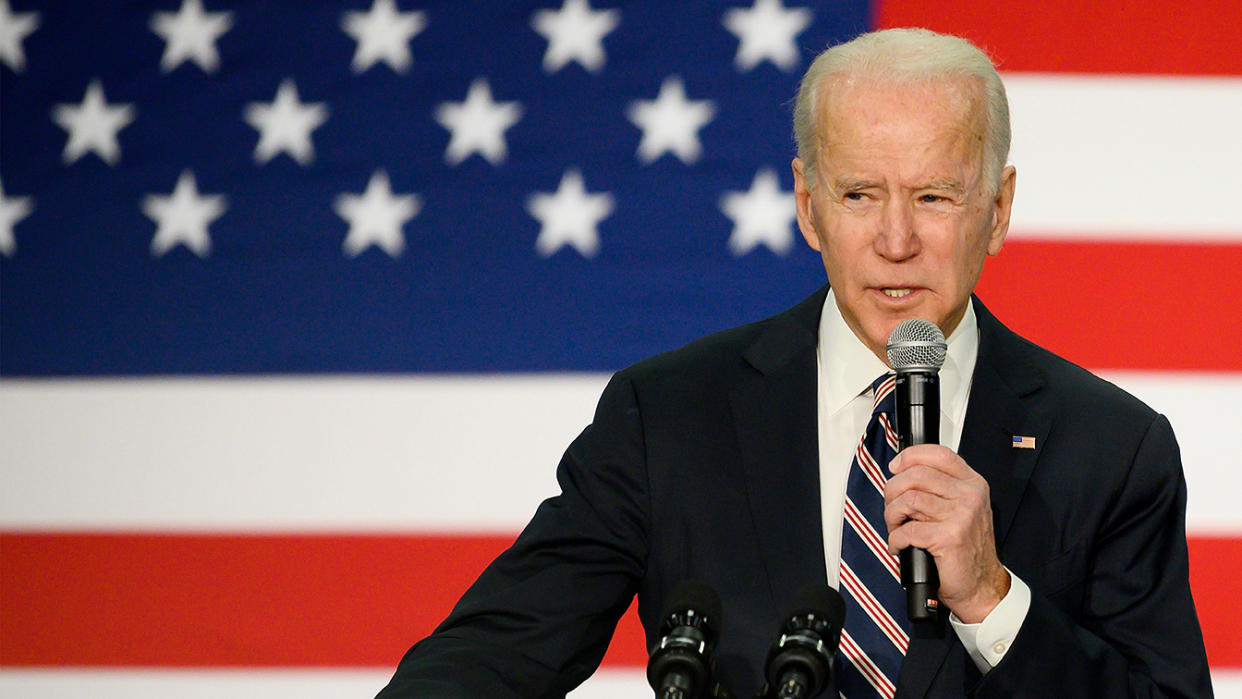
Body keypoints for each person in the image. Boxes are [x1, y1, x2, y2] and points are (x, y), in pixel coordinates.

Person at [377, 28, 1211, 698]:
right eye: (859, 195)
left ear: (997, 212)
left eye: (933, 196)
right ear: (808, 208)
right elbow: (498, 652)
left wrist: (994, 598)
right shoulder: (666, 414)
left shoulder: (1110, 445)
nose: (895, 241)